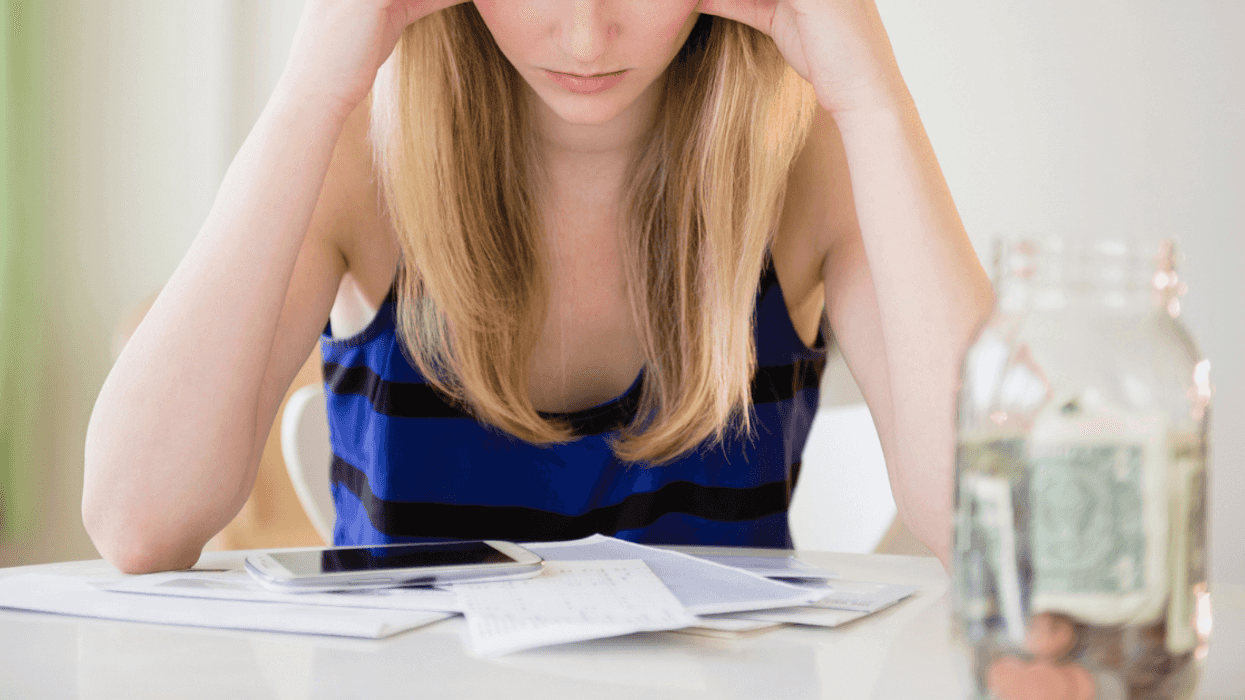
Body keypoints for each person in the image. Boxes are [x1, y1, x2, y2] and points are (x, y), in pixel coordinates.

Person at [82, 0, 993, 576]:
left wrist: (874, 99)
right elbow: (135, 523)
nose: (585, 31)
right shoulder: (360, 154)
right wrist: (311, 88)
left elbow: (999, 538)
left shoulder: (806, 164)